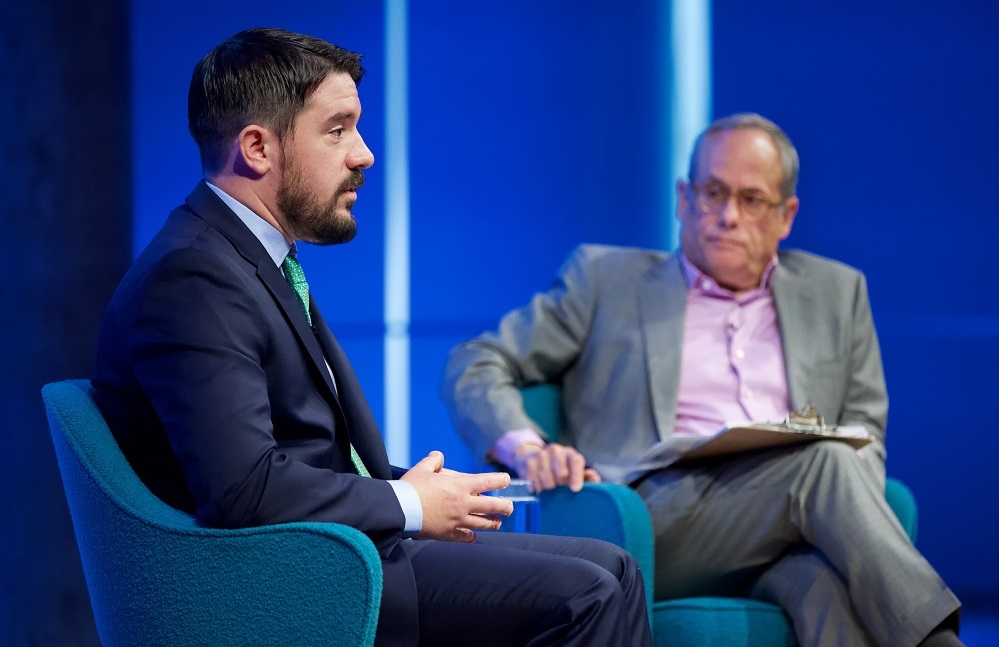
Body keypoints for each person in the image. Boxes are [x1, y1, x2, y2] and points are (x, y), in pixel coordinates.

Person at [91, 27, 652, 647]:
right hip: (291, 580)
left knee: (614, 566)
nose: (364, 154)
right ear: (257, 147)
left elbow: (302, 455)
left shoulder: (247, 257)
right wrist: (408, 505)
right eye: (337, 130)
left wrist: (433, 493)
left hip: (334, 549)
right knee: (586, 594)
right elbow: (241, 488)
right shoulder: (193, 275)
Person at [441, 113, 963, 647]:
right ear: (683, 199)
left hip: (787, 527)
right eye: (713, 193)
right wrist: (528, 449)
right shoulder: (605, 281)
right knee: (821, 461)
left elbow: (866, 435)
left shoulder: (837, 293)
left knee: (825, 583)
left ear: (787, 216)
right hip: (652, 520)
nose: (729, 216)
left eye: (752, 200)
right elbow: (476, 362)